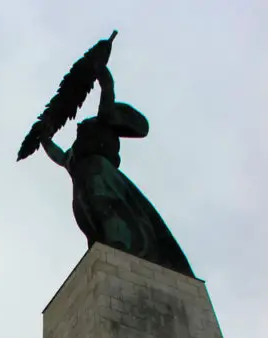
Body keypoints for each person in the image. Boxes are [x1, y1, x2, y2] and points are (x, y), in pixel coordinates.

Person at [40, 65, 195, 278]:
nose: (80, 126)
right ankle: (106, 246)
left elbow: (106, 105)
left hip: (100, 174)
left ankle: (117, 244)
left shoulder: (101, 125)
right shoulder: (76, 153)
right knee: (88, 217)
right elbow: (60, 157)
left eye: (84, 125)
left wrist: (105, 80)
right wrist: (45, 140)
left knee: (106, 207)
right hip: (83, 181)